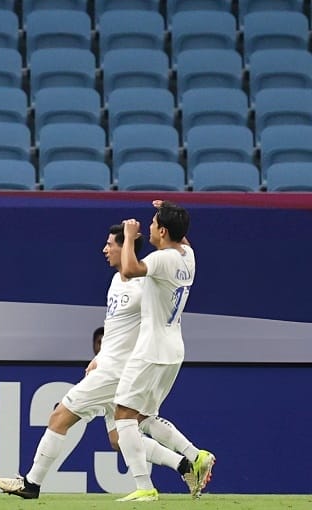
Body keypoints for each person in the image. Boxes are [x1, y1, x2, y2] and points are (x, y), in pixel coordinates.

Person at [0, 222, 211, 501]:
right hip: (109, 364)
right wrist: (99, 355)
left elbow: (177, 258)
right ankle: (188, 461)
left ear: (126, 246)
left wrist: (163, 224)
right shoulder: (116, 279)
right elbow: (117, 326)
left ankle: (32, 483)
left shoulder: (145, 282)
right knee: (123, 436)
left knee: (60, 416)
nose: (105, 248)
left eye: (111, 244)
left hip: (118, 370)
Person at [113, 200, 214, 502]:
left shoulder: (162, 259)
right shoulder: (187, 255)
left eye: (154, 222)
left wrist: (129, 236)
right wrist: (170, 208)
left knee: (123, 416)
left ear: (164, 231)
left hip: (151, 349)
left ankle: (144, 486)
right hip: (172, 349)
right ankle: (195, 456)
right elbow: (182, 237)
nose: (149, 226)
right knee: (144, 417)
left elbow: (130, 269)